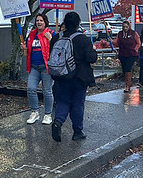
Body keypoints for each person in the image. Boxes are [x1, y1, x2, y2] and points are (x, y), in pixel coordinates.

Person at [49, 11, 97, 142]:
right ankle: (77, 132)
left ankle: (58, 121)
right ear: (78, 24)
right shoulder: (82, 39)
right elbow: (91, 58)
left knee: (63, 101)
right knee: (77, 104)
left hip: (60, 76)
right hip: (79, 78)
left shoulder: (56, 38)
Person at [22, 14, 55, 124]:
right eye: (37, 20)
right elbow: (28, 50)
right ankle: (34, 112)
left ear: (45, 22)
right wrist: (25, 48)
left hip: (46, 67)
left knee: (47, 91)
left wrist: (51, 40)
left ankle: (48, 114)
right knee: (31, 89)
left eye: (41, 20)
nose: (39, 22)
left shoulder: (50, 34)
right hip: (34, 67)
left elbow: (57, 49)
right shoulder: (32, 34)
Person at [116, 20, 141, 93]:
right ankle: (128, 82)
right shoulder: (120, 34)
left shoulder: (133, 33)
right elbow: (117, 43)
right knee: (124, 70)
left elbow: (138, 42)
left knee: (128, 68)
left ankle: (128, 85)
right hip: (123, 54)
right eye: (124, 27)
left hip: (131, 54)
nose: (125, 28)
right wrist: (111, 42)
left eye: (126, 27)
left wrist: (135, 49)